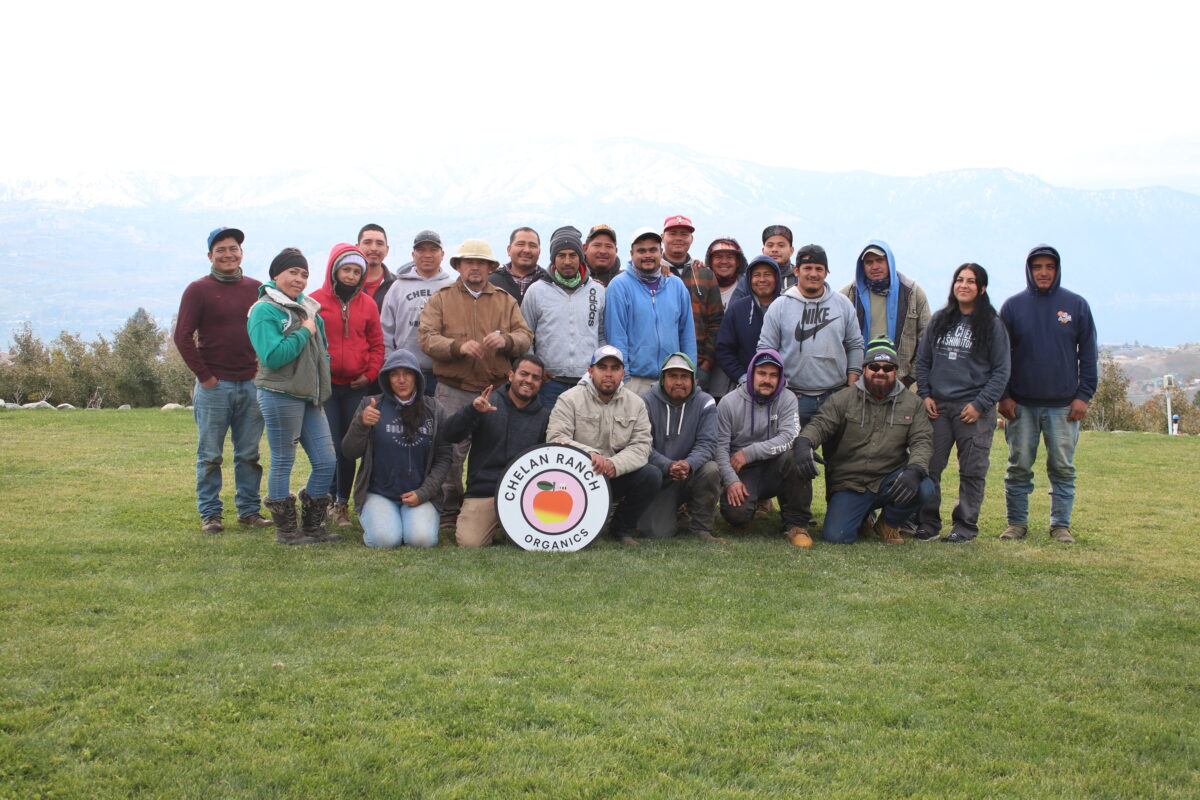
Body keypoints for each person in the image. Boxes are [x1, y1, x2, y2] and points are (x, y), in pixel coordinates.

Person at [419, 239, 534, 530]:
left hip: (494, 390)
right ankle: (449, 510)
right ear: (458, 266)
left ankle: (492, 507)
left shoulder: (505, 301)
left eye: (481, 262)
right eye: (468, 261)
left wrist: (506, 341)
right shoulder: (441, 299)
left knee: (492, 451)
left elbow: (525, 336)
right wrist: (457, 347)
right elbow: (427, 338)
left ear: (490, 268)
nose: (474, 267)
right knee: (450, 453)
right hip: (453, 389)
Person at [756, 243, 863, 541]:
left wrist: (852, 381)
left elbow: (855, 344)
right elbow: (766, 348)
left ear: (826, 271)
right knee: (794, 459)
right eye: (807, 268)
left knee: (842, 458)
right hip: (794, 397)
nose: (813, 274)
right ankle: (795, 522)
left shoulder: (842, 305)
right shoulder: (780, 305)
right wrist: (776, 388)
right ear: (797, 271)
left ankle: (846, 513)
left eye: (818, 268)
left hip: (835, 395)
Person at [173, 227, 272, 534]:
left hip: (251, 384)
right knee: (210, 455)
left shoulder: (257, 289)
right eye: (221, 250)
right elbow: (182, 336)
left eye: (233, 249)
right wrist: (205, 377)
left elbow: (271, 330)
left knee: (248, 454)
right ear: (210, 256)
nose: (228, 254)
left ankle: (249, 511)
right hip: (215, 386)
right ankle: (211, 514)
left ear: (241, 253)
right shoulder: (197, 290)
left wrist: (262, 370)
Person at [997, 245, 1098, 544]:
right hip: (1021, 405)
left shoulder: (1076, 305)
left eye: (1049, 267)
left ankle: (1060, 525)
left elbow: (1089, 355)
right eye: (1037, 267)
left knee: (1063, 468)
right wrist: (1003, 395)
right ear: (1029, 270)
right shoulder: (1013, 307)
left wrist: (1084, 396)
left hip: (1064, 406)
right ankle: (1016, 524)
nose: (1043, 272)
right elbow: (1001, 356)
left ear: (1057, 270)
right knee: (1018, 467)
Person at [795, 338, 936, 545]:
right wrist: (804, 442)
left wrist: (914, 470)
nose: (880, 372)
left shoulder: (912, 404)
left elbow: (922, 441)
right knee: (836, 537)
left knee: (924, 486)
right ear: (864, 369)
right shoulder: (842, 398)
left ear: (895, 371)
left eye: (888, 367)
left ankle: (888, 522)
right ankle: (861, 517)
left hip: (891, 479)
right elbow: (820, 424)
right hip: (852, 482)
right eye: (874, 366)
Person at [247, 248, 339, 545]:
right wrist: (303, 331)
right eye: (292, 273)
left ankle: (313, 527)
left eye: (304, 274)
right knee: (283, 460)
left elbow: (321, 353)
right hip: (279, 393)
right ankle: (287, 531)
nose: (299, 279)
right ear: (276, 275)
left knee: (327, 461)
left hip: (310, 397)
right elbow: (273, 356)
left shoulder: (310, 310)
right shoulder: (264, 310)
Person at [915, 263, 1011, 542]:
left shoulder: (992, 324)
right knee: (929, 466)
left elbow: (1001, 370)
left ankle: (965, 527)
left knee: (972, 470)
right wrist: (925, 394)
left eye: (971, 281)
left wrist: (981, 404)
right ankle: (927, 523)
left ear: (982, 289)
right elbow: (923, 360)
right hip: (938, 407)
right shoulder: (940, 319)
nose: (964, 285)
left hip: (973, 410)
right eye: (959, 280)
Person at [546, 345, 660, 546]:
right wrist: (590, 455)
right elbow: (556, 439)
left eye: (615, 368)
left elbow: (642, 446)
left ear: (623, 373)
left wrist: (614, 465)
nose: (609, 374)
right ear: (590, 371)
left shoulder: (636, 403)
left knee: (651, 475)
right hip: (577, 477)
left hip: (613, 475)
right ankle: (574, 520)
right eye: (602, 367)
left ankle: (621, 529)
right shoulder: (569, 399)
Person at [341, 349, 452, 548]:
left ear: (417, 377)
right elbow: (349, 452)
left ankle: (404, 523)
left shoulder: (434, 409)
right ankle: (386, 523)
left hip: (419, 493)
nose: (401, 380)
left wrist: (424, 493)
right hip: (379, 492)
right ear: (386, 378)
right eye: (394, 374)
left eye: (407, 373)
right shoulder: (372, 405)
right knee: (385, 540)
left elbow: (444, 458)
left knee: (422, 540)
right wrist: (361, 424)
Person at [309, 243, 384, 529]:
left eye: (356, 271)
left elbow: (377, 344)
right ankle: (323, 500)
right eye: (346, 269)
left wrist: (370, 373)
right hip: (326, 389)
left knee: (349, 447)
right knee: (327, 446)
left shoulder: (368, 304)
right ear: (334, 270)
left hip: (355, 386)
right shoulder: (314, 301)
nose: (351, 275)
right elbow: (308, 343)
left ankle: (341, 502)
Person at [441, 354, 551, 547]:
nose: (529, 381)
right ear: (511, 375)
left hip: (524, 495)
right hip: (484, 492)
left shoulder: (544, 417)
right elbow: (449, 434)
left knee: (539, 541)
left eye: (536, 378)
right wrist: (471, 411)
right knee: (470, 543)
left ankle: (504, 527)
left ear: (541, 383)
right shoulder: (486, 403)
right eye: (524, 374)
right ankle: (492, 523)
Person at [715, 349, 808, 544]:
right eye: (762, 373)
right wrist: (731, 480)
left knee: (797, 455)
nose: (767, 380)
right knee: (736, 515)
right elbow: (720, 449)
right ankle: (747, 510)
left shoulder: (788, 398)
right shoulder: (728, 403)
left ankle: (796, 524)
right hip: (743, 471)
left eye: (774, 375)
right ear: (751, 374)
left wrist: (750, 452)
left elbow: (789, 436)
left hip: (776, 465)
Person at [637, 353, 721, 541]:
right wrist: (668, 466)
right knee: (656, 533)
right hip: (660, 477)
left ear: (693, 380)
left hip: (691, 473)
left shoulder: (705, 402)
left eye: (684, 377)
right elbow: (642, 445)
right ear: (662, 379)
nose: (679, 382)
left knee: (711, 469)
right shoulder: (646, 402)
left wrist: (688, 464)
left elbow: (707, 443)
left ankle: (702, 528)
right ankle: (676, 513)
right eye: (673, 376)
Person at [604, 227, 697, 396]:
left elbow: (687, 335)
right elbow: (617, 336)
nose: (647, 255)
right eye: (641, 251)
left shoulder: (676, 286)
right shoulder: (619, 286)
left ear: (661, 252)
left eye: (653, 250)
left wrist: (690, 374)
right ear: (631, 253)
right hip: (634, 381)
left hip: (671, 378)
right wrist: (623, 378)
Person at [521, 227, 606, 406]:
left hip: (587, 380)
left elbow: (602, 335)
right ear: (553, 258)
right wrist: (535, 369)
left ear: (581, 257)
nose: (567, 261)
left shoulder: (597, 291)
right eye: (561, 255)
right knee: (550, 432)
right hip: (549, 382)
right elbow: (526, 335)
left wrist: (600, 369)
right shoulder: (537, 291)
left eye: (572, 255)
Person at [842, 241, 930, 388]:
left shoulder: (912, 293)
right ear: (862, 267)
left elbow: (927, 340)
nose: (875, 266)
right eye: (869, 262)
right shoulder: (849, 295)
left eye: (880, 260)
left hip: (902, 382)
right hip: (858, 382)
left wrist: (910, 378)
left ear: (889, 261)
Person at [379, 229, 455, 394]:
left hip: (442, 374)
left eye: (433, 250)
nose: (427, 254)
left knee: (438, 419)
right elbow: (385, 330)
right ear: (413, 254)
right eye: (421, 250)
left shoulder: (451, 287)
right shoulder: (398, 287)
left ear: (442, 254)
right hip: (405, 373)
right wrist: (391, 362)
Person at [660, 215, 723, 390]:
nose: (679, 238)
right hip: (659, 365)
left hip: (696, 366)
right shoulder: (653, 272)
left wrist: (706, 365)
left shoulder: (704, 274)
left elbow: (716, 323)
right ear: (662, 237)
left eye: (684, 234)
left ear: (691, 239)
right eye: (673, 233)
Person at [716, 255, 781, 396]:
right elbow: (723, 349)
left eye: (767, 275)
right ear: (749, 279)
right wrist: (742, 377)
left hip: (784, 388)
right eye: (757, 275)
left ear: (777, 278)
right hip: (745, 390)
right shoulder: (737, 309)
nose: (762, 279)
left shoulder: (788, 308)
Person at [728, 225, 798, 304]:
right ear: (763, 250)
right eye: (770, 245)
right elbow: (734, 310)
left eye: (781, 245)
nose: (774, 249)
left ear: (791, 250)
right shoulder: (749, 277)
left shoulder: (798, 276)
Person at [490, 227, 547, 302]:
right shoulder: (491, 281)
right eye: (520, 244)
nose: (526, 250)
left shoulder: (549, 282)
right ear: (509, 250)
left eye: (532, 245)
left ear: (539, 252)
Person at [357, 224, 395, 311]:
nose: (374, 248)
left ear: (387, 249)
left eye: (379, 243)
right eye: (367, 242)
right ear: (357, 247)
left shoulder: (397, 286)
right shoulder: (346, 285)